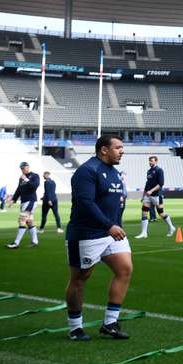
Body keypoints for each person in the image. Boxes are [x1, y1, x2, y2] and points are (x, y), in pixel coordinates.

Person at [65, 134, 132, 341]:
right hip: (87, 234)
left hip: (112, 233)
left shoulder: (114, 172)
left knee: (125, 269)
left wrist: (116, 224)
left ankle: (110, 323)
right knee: (80, 279)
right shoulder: (86, 171)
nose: (122, 151)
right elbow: (86, 203)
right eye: (118, 147)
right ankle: (75, 328)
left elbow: (118, 201)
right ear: (104, 149)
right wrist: (108, 225)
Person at [134, 156, 175, 239]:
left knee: (161, 213)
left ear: (156, 161)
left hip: (157, 195)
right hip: (148, 196)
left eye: (151, 161)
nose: (150, 162)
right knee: (144, 212)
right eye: (149, 161)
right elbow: (147, 184)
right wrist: (143, 195)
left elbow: (161, 184)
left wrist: (151, 191)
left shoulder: (159, 170)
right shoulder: (149, 171)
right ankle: (144, 233)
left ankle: (171, 227)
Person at [7, 161, 40, 249]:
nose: (22, 170)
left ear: (28, 167)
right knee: (29, 222)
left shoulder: (35, 176)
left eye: (23, 168)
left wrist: (26, 179)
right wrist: (13, 200)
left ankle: (16, 243)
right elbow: (18, 190)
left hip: (31, 201)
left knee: (22, 220)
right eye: (21, 168)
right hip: (24, 202)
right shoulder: (21, 178)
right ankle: (35, 241)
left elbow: (35, 186)